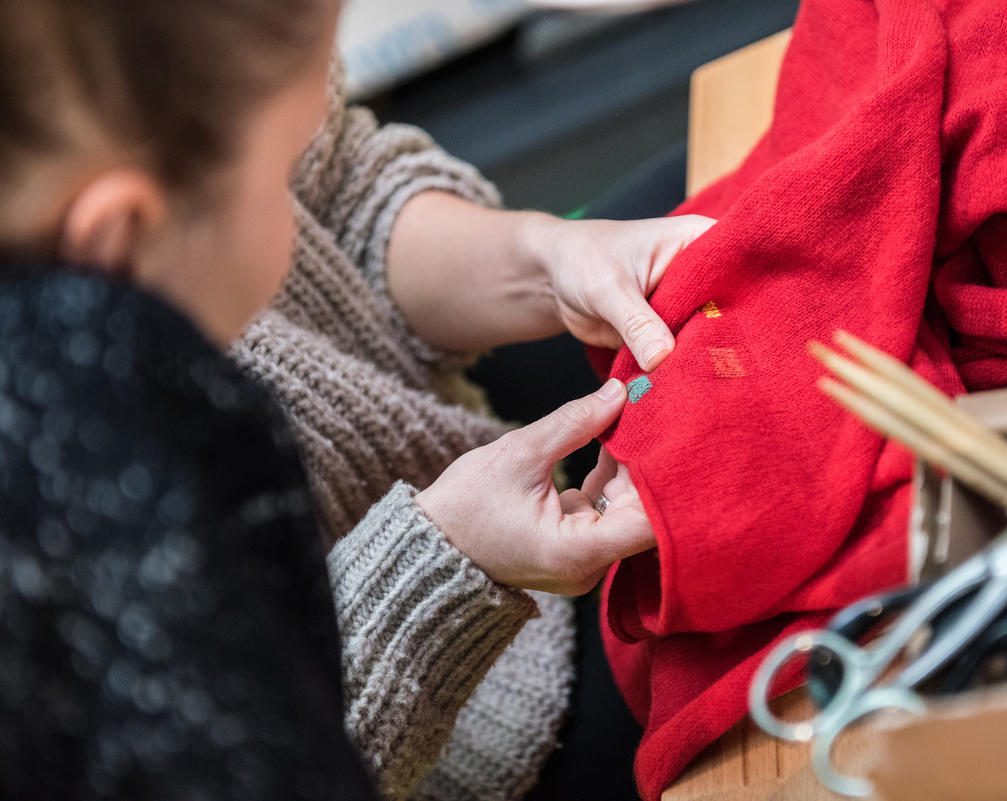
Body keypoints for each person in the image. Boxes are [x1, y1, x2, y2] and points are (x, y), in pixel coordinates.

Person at [0, 1, 712, 798]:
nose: (299, 195)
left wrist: (544, 257)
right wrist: (449, 563)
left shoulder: (162, 91)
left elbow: (343, 186)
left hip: (447, 434)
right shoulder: (68, 555)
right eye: (276, 177)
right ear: (123, 240)